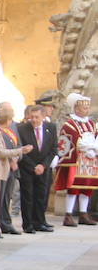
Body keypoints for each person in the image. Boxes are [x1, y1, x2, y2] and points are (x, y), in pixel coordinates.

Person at [0, 103, 28, 240]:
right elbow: (0, 150)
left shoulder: (9, 129)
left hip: (6, 168)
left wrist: (16, 157)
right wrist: (19, 151)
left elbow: (15, 144)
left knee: (3, 199)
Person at [56, 92, 97, 226]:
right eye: (84, 108)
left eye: (87, 108)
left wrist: (94, 150)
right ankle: (68, 215)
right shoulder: (69, 124)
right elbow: (70, 140)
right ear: (76, 108)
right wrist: (86, 148)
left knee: (87, 187)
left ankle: (83, 214)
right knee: (73, 188)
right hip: (77, 160)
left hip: (90, 161)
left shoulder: (91, 123)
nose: (86, 110)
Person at [17, 104, 58, 233]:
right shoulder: (22, 128)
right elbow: (21, 150)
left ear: (43, 117)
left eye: (37, 117)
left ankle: (40, 221)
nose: (34, 120)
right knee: (28, 196)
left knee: (41, 195)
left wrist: (43, 165)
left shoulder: (51, 128)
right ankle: (28, 224)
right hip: (28, 168)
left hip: (43, 168)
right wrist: (34, 166)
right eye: (32, 117)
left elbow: (53, 149)